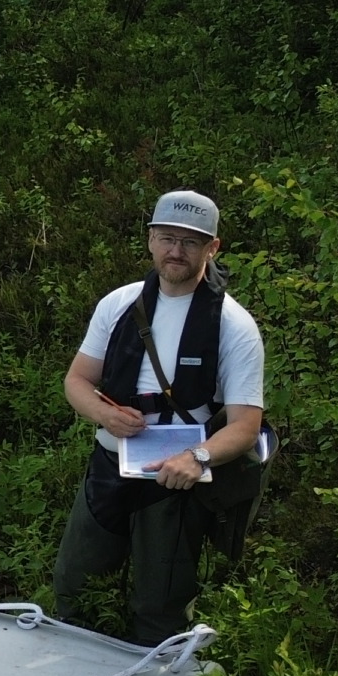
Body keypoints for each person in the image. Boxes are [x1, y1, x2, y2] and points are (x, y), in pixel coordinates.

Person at [53, 190, 267, 644]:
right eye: (167, 238)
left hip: (178, 482)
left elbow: (246, 427)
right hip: (110, 465)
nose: (176, 251)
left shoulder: (233, 325)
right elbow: (77, 381)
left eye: (191, 242)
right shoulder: (119, 305)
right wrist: (104, 416)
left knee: (160, 604)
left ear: (213, 248)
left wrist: (199, 458)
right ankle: (73, 667)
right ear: (150, 240)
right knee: (75, 584)